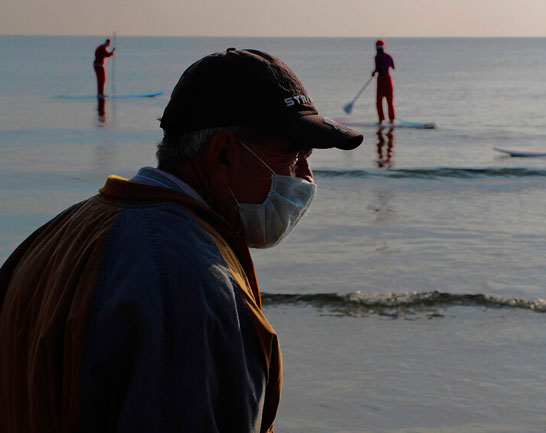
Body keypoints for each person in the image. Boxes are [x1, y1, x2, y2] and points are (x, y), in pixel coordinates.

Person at [0, 48, 363, 433]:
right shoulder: (189, 284)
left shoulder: (58, 235)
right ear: (224, 153)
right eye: (294, 155)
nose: (304, 177)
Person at [371, 39, 396, 124]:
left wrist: (374, 73)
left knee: (379, 101)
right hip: (389, 79)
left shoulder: (377, 57)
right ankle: (391, 120)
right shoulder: (389, 56)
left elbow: (378, 69)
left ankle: (381, 119)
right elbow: (393, 67)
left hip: (381, 79)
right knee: (390, 100)